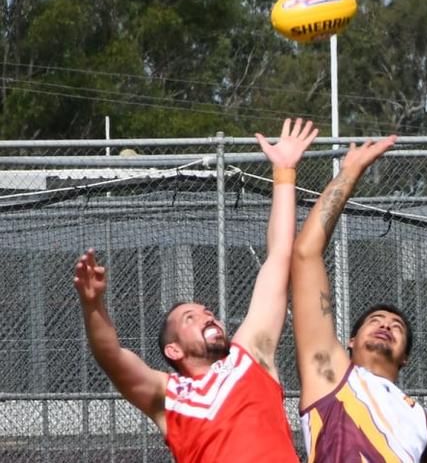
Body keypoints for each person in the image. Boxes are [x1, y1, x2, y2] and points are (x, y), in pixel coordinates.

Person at [74, 118, 318, 462]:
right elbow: (111, 357)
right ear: (173, 350)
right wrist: (93, 305)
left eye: (208, 312)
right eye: (191, 317)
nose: (208, 315)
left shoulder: (251, 358)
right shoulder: (168, 397)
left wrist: (284, 173)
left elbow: (279, 257)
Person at [291, 136, 427, 463]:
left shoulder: (422, 421)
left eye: (397, 326)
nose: (386, 325)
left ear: (405, 358)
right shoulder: (329, 373)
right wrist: (350, 171)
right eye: (375, 321)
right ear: (350, 341)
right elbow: (306, 254)